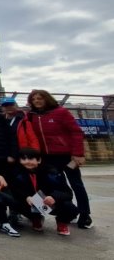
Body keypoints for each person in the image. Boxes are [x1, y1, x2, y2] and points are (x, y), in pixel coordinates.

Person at [27, 89, 93, 229]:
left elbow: (76, 132)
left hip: (66, 156)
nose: (37, 101)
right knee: (51, 186)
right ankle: (60, 213)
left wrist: (78, 154)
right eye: (34, 99)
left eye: (40, 98)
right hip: (47, 158)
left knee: (76, 184)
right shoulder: (31, 116)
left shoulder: (60, 112)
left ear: (47, 99)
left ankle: (84, 214)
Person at [11, 148, 78, 236]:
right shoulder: (17, 173)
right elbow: (15, 190)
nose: (27, 161)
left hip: (49, 202)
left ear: (39, 160)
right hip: (31, 203)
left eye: (31, 159)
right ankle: (36, 218)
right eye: (23, 159)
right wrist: (26, 197)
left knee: (70, 207)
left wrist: (53, 197)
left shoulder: (52, 172)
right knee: (13, 201)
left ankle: (62, 222)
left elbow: (68, 193)